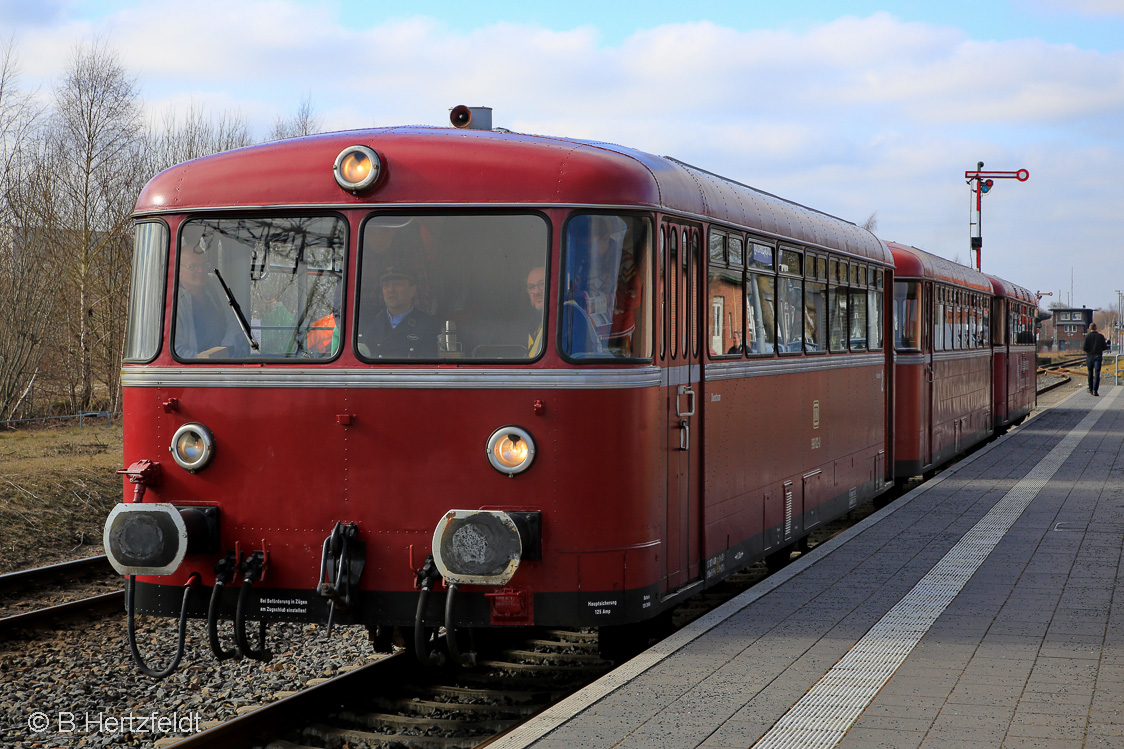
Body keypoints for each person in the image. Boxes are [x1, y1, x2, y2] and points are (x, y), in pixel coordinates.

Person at [174, 249, 249, 358]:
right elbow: (175, 350)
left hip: (227, 361)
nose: (201, 270)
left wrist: (227, 348)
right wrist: (202, 359)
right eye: (192, 266)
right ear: (178, 270)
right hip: (192, 369)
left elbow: (236, 319)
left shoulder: (214, 284)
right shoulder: (173, 300)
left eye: (204, 265)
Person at [358, 266, 439, 358]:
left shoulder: (428, 325)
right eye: (386, 285)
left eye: (397, 284)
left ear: (412, 290)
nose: (390, 290)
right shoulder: (367, 321)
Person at [1083, 322, 1108, 396]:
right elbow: (1105, 347)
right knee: (1097, 373)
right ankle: (1095, 390)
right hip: (1098, 356)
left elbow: (1084, 348)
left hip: (1089, 356)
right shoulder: (1100, 336)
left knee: (1090, 373)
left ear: (1090, 329)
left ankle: (1090, 389)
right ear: (1096, 328)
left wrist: (1089, 351)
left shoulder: (1087, 337)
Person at [525, 266, 546, 356]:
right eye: (532, 287)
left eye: (542, 284)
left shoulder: (568, 314)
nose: (536, 291)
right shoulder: (535, 324)